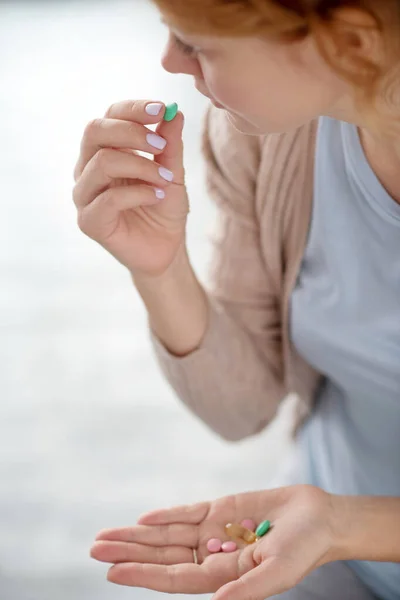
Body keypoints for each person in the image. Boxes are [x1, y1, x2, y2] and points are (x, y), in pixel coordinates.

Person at [72, 1, 400, 598]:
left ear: (352, 45)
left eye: (197, 45)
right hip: (312, 532)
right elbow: (241, 408)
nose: (168, 61)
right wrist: (162, 268)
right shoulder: (268, 136)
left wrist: (345, 525)